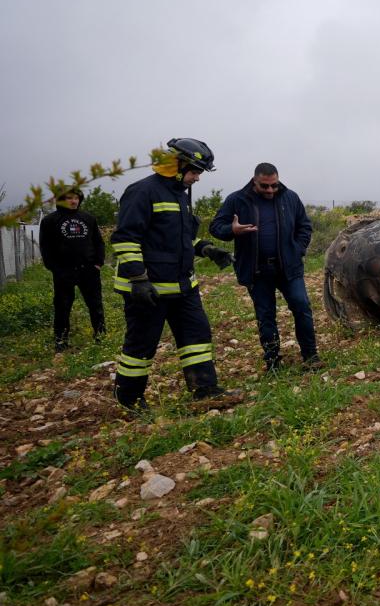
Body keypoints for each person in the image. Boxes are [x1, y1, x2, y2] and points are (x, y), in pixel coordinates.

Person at [109, 138, 239, 412]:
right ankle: (128, 399)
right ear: (176, 165)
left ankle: (204, 389)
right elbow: (125, 239)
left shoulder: (180, 194)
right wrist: (139, 280)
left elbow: (178, 241)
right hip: (148, 290)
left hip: (183, 287)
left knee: (197, 337)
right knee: (141, 346)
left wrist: (207, 249)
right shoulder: (142, 191)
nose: (197, 177)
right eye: (195, 171)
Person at [210, 162, 320, 372]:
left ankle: (311, 356)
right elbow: (216, 227)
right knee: (266, 316)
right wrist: (232, 230)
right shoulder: (237, 200)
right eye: (265, 186)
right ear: (255, 182)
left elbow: (304, 226)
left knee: (302, 308)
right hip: (257, 270)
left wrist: (297, 249)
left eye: (274, 185)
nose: (270, 190)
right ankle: (272, 362)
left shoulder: (290, 197)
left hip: (289, 268)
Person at [39, 187, 106, 351]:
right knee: (62, 306)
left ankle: (101, 336)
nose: (73, 201)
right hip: (64, 271)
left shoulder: (88, 218)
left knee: (95, 304)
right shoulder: (50, 221)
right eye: (69, 198)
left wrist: (98, 263)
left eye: (76, 198)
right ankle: (61, 341)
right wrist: (55, 268)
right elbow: (45, 247)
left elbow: (98, 242)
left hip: (89, 270)